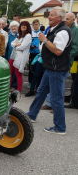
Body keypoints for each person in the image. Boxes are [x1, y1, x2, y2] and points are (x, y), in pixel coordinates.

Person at [27, 7, 72, 135]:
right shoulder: (56, 29)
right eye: (49, 15)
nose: (49, 17)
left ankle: (60, 127)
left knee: (56, 98)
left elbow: (58, 51)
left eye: (52, 15)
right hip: (51, 68)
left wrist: (45, 40)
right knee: (41, 92)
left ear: (59, 18)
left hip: (57, 69)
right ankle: (31, 114)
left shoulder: (63, 31)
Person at [9, 21, 32, 92]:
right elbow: (12, 43)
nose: (23, 27)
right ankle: (8, 88)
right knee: (10, 73)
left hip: (20, 58)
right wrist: (17, 45)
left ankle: (19, 90)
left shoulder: (28, 36)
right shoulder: (20, 35)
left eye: (25, 26)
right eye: (22, 25)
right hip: (13, 56)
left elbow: (22, 47)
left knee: (18, 74)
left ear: (27, 27)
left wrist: (16, 46)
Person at [64, 12, 78, 109]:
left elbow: (75, 47)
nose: (66, 20)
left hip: (73, 60)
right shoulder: (67, 29)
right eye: (65, 18)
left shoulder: (75, 30)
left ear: (73, 19)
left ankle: (74, 102)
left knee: (76, 82)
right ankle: (73, 100)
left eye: (68, 19)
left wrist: (68, 57)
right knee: (74, 81)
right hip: (73, 60)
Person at [26, 19, 41, 96]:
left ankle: (36, 87)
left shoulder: (41, 33)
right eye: (34, 24)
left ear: (39, 25)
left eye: (37, 24)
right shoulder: (30, 33)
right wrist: (31, 46)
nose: (35, 26)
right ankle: (30, 85)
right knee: (31, 70)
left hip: (38, 55)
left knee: (37, 71)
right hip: (31, 54)